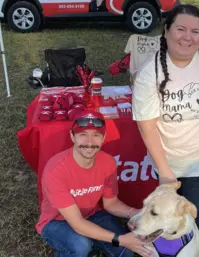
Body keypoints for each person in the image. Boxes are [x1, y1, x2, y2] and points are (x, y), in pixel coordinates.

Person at [132, 4, 199, 257]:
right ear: (166, 31)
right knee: (161, 213)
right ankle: (165, 249)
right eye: (180, 29)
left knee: (196, 210)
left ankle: (198, 250)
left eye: (195, 31)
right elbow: (146, 125)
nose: (187, 37)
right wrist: (166, 173)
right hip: (167, 158)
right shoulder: (151, 73)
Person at [36, 110, 152, 257]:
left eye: (96, 135)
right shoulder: (55, 170)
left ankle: (93, 239)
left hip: (91, 215)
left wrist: (135, 214)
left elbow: (111, 204)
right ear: (72, 136)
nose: (89, 143)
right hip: (57, 221)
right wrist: (120, 239)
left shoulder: (108, 162)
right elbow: (77, 223)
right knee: (81, 246)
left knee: (126, 252)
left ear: (103, 138)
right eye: (83, 135)